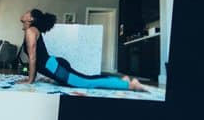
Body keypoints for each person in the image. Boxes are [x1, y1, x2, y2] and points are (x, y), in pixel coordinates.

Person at [18, 9, 148, 91]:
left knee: (86, 82)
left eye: (27, 12)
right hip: (53, 65)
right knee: (86, 78)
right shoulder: (32, 31)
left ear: (30, 19)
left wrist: (30, 80)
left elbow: (33, 58)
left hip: (54, 67)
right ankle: (121, 81)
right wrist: (32, 78)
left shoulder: (30, 31)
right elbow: (34, 58)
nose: (24, 12)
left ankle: (129, 85)